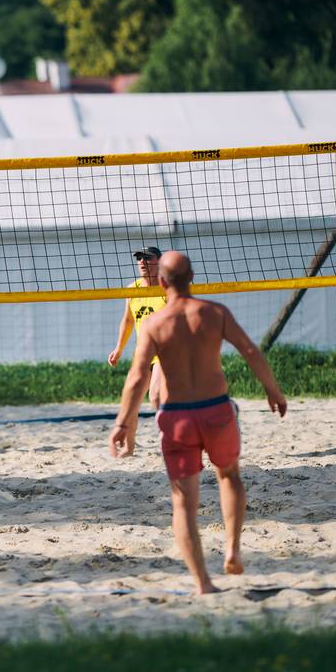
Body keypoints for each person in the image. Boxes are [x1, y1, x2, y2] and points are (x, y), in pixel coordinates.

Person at [108, 251, 286, 595]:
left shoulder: (154, 325)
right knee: (229, 475)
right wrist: (273, 391)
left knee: (182, 504)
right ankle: (232, 549)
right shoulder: (214, 312)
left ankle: (203, 583)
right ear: (193, 278)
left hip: (177, 418)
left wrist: (121, 423)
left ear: (161, 282)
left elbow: (135, 378)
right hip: (216, 410)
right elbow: (250, 351)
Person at [108, 246, 167, 408]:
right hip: (143, 352)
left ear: (160, 262)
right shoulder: (132, 289)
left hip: (166, 352)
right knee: (129, 401)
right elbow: (128, 320)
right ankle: (129, 434)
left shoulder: (168, 289)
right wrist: (119, 348)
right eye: (139, 258)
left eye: (147, 257)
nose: (142, 261)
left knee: (156, 396)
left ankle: (170, 431)